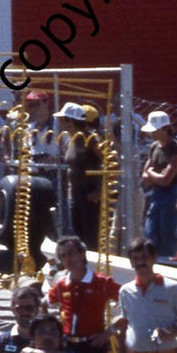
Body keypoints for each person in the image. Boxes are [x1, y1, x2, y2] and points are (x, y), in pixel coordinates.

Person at [140, 111, 177, 260]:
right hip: (156, 194)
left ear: (165, 129)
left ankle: (168, 265)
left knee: (166, 236)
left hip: (170, 195)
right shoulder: (154, 147)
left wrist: (153, 173)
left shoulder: (176, 149)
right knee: (151, 233)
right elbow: (145, 176)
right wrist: (155, 175)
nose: (152, 134)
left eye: (155, 130)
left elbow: (166, 179)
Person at [59, 102, 103, 248]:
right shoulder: (72, 140)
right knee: (78, 237)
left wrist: (99, 190)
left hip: (89, 196)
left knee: (90, 239)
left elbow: (108, 163)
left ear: (70, 121)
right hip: (76, 195)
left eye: (62, 120)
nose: (60, 123)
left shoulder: (91, 140)